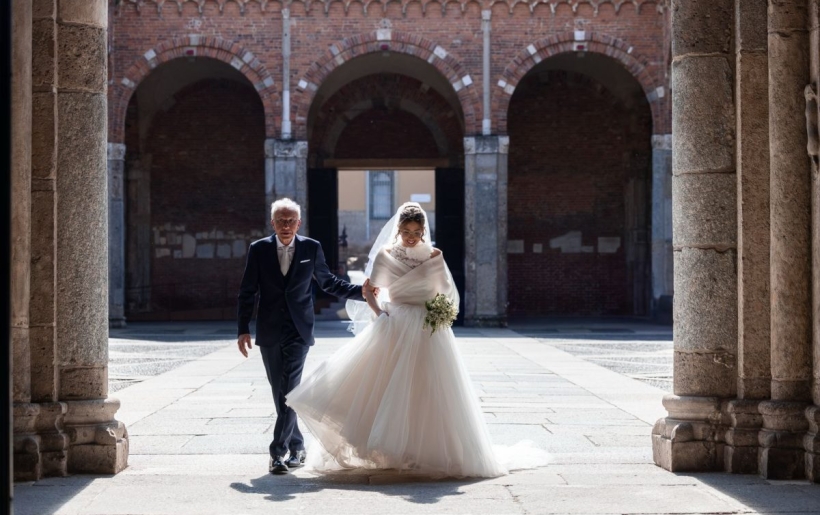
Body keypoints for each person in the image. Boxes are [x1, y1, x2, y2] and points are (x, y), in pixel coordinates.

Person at [287, 202, 512, 478]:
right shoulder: (386, 255)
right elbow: (369, 290)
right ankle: (389, 449)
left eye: (416, 231)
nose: (411, 236)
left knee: (428, 389)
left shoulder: (434, 256)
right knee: (386, 387)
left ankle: (422, 452)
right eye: (406, 231)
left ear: (423, 231)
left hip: (428, 329)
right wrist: (380, 313)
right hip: (395, 324)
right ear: (398, 230)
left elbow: (444, 292)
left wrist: (438, 313)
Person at [237, 198, 365, 475]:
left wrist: (361, 292)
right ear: (272, 223)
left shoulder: (311, 247)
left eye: (290, 221)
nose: (285, 225)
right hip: (269, 329)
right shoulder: (258, 249)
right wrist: (243, 328)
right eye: (280, 221)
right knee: (280, 392)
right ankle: (298, 446)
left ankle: (277, 454)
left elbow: (328, 282)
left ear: (299, 222)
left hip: (299, 329)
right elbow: (248, 291)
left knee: (289, 390)